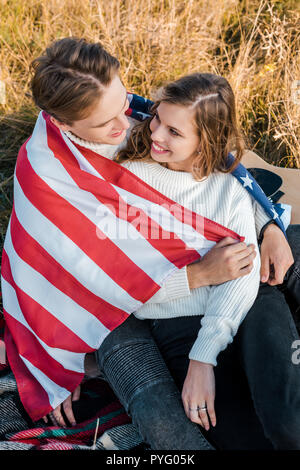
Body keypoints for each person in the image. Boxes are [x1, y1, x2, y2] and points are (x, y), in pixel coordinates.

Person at [3, 37, 299, 450]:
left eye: (124, 101)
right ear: (64, 124)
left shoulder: (138, 119)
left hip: (216, 273)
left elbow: (214, 160)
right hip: (130, 312)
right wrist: (56, 359)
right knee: (170, 419)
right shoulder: (51, 179)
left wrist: (268, 225)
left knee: (285, 263)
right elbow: (65, 276)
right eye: (108, 123)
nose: (130, 126)